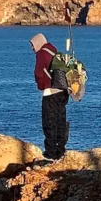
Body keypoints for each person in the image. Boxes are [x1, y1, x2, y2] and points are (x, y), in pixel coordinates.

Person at [30, 32, 69, 160]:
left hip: (50, 92)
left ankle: (50, 153)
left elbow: (39, 72)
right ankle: (60, 149)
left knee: (49, 122)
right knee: (60, 120)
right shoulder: (53, 50)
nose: (32, 48)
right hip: (62, 91)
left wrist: (41, 85)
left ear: (38, 43)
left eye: (32, 45)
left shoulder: (42, 53)